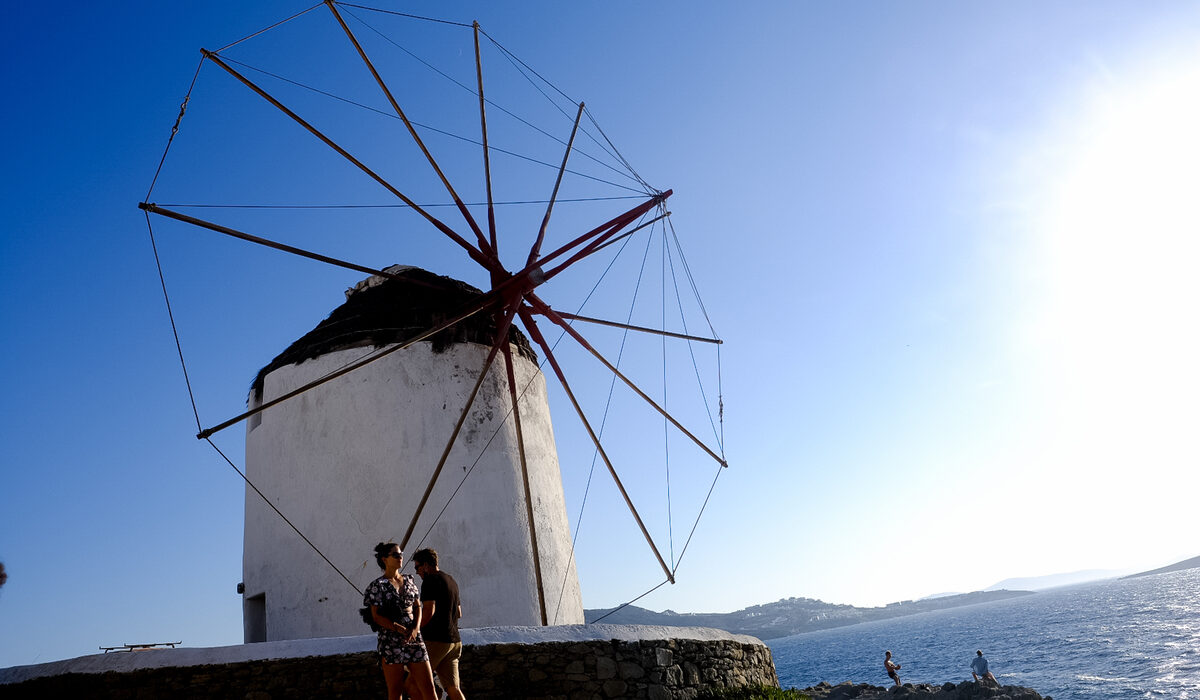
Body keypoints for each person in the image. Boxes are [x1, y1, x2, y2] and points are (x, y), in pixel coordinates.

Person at [364, 543, 438, 700]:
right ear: (385, 559)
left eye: (401, 554)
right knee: (396, 691)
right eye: (396, 555)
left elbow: (418, 606)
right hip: (391, 641)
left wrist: (416, 628)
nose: (400, 557)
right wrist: (396, 627)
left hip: (414, 638)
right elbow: (376, 616)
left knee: (429, 689)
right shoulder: (377, 586)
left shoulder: (409, 580)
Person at [413, 548, 466, 700]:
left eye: (417, 567)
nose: (417, 572)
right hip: (454, 642)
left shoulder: (430, 580)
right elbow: (459, 613)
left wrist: (415, 630)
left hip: (436, 641)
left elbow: (429, 611)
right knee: (453, 688)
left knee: (413, 683)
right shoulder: (451, 580)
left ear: (425, 565)